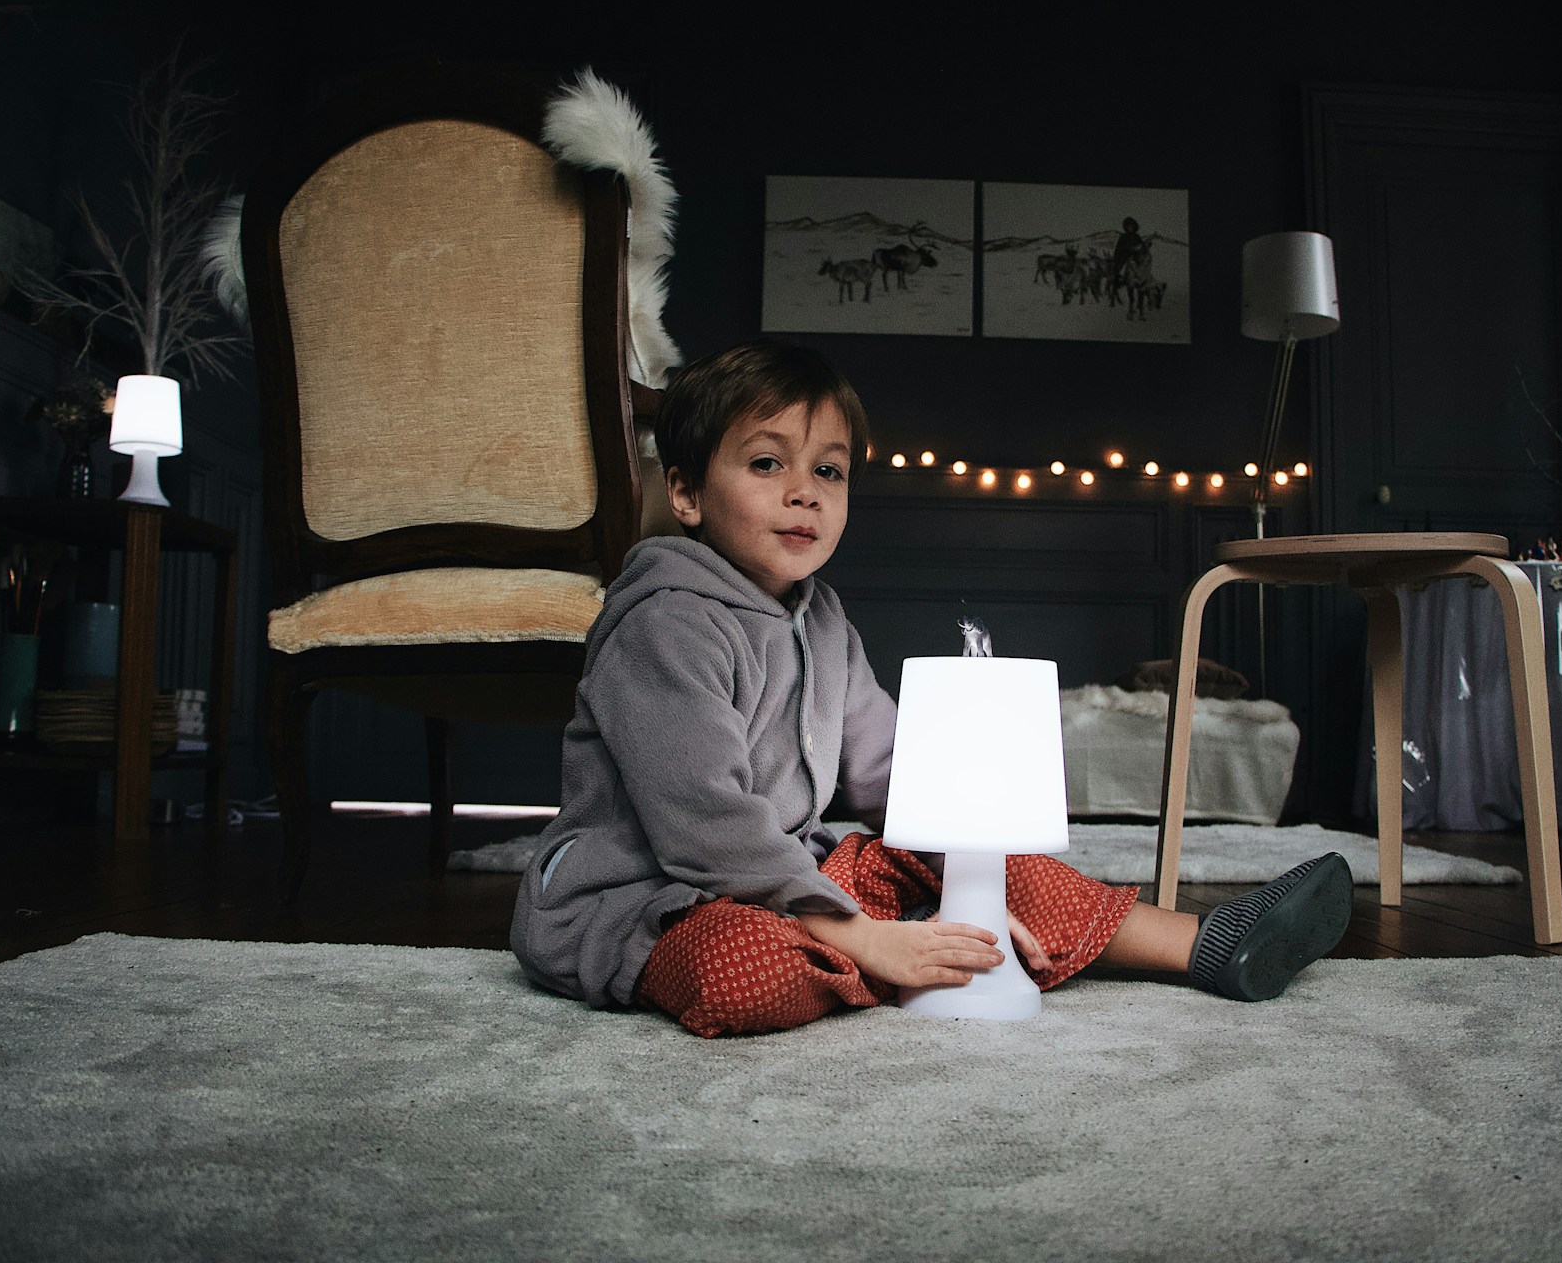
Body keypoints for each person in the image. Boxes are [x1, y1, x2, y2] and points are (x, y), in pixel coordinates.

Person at [511, 339, 1352, 1038]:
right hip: (652, 904)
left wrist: (971, 878)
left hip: (790, 885)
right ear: (687, 493)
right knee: (747, 976)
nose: (804, 492)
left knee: (966, 845)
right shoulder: (664, 624)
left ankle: (1207, 944)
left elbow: (894, 776)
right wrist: (868, 937)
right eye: (767, 463)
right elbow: (705, 826)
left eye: (829, 472)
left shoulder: (822, 620)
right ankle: (910, 952)